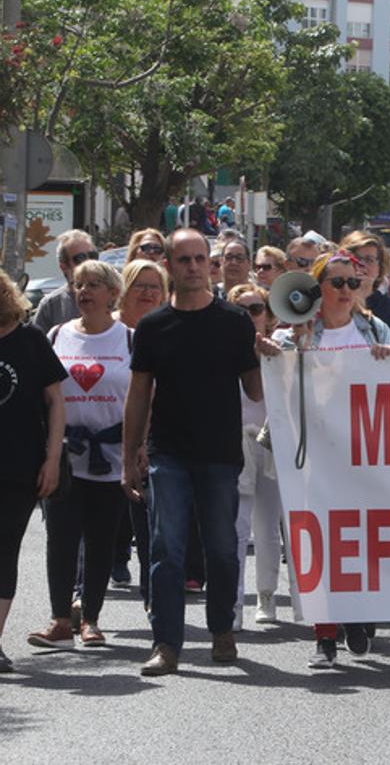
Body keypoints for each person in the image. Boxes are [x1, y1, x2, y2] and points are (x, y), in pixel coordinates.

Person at [122, 228, 266, 677]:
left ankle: (221, 629)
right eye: (183, 259)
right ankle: (166, 642)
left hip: (221, 454)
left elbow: (255, 388)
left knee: (223, 547)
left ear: (212, 264)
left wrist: (271, 354)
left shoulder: (233, 321)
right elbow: (139, 392)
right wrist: (129, 457)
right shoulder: (153, 326)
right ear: (170, 265)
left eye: (200, 259)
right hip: (169, 453)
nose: (193, 267)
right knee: (167, 547)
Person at [271, 251, 390, 667]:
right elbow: (280, 388)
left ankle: (358, 616)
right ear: (316, 287)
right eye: (337, 282)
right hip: (313, 453)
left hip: (363, 452)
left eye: (353, 283)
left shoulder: (375, 329)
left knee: (360, 537)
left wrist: (387, 362)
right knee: (318, 540)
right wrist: (292, 350)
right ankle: (325, 634)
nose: (346, 291)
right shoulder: (295, 332)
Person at [28, 261, 132, 652]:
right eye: (78, 285)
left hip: (112, 454)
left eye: (93, 285)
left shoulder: (130, 339)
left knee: (102, 540)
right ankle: (59, 620)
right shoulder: (57, 335)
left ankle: (91, 619)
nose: (83, 291)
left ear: (112, 294)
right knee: (61, 539)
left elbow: (144, 397)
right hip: (65, 456)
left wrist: (137, 449)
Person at [0, 271, 66, 673]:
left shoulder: (29, 341)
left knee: (4, 550)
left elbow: (56, 400)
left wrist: (53, 458)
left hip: (19, 466)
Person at [225, 283, 285, 630]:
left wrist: (274, 356)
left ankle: (267, 595)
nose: (252, 315)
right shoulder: (224, 350)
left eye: (257, 308)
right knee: (236, 527)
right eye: (243, 309)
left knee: (268, 526)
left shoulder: (281, 349)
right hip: (237, 444)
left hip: (273, 443)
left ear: (268, 313)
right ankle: (232, 605)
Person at [111, 259, 169, 597]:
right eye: (140, 285)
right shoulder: (109, 329)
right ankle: (84, 602)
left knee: (149, 528)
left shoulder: (164, 329)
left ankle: (153, 599)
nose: (147, 293)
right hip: (101, 444)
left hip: (149, 443)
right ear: (124, 290)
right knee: (98, 528)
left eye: (154, 286)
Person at [341, 230, 390, 349]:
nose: (360, 264)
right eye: (354, 258)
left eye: (369, 260)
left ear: (380, 268)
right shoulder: (330, 302)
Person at [33, 229, 97, 333]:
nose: (88, 262)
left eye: (93, 256)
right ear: (64, 267)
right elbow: (36, 347)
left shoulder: (113, 298)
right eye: (80, 258)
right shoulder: (51, 305)